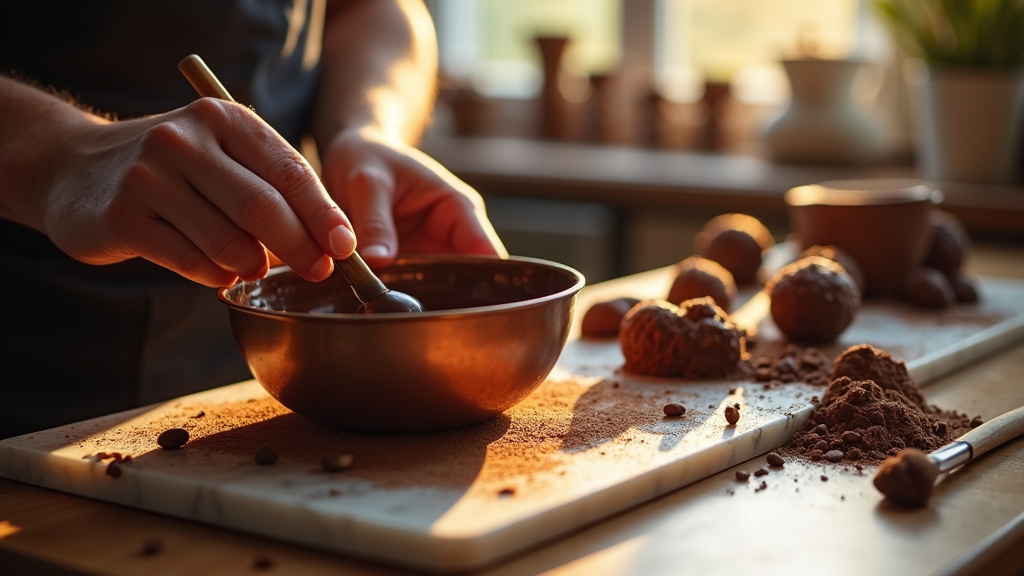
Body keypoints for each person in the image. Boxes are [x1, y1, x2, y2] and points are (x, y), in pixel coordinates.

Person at [0, 0, 507, 438]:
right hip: (26, 360)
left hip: (257, 372)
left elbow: (366, 8)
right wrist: (56, 154)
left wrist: (365, 126)